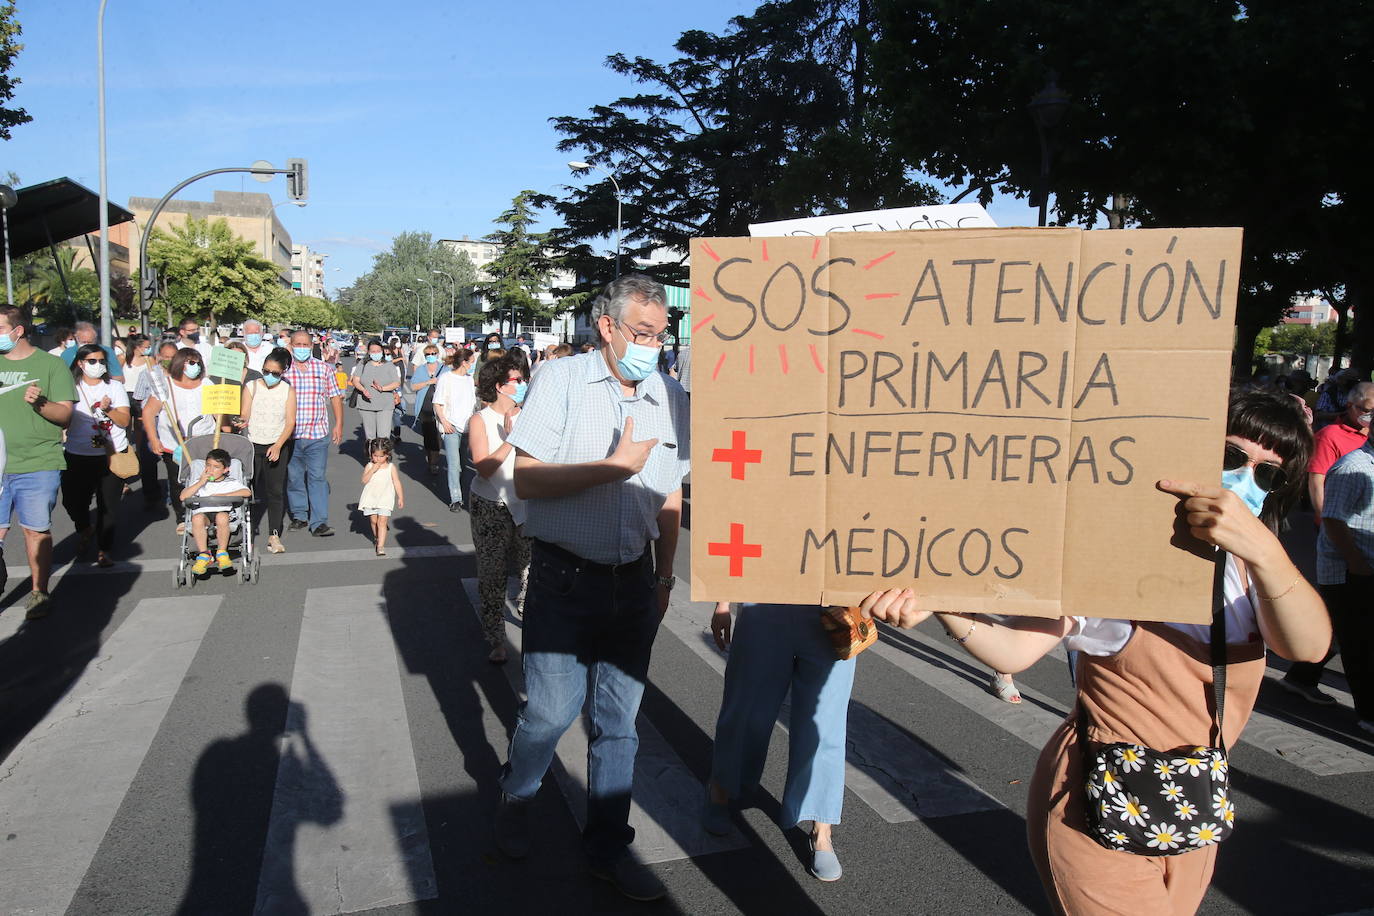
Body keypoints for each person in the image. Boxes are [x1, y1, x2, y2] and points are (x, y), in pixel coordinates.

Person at [888, 388, 1332, 915]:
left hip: (1190, 802)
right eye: (1232, 458)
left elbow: (1308, 645)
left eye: (1268, 473)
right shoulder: (1119, 555)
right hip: (1096, 800)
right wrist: (941, 603)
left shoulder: (1250, 570)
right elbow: (1014, 650)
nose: (1244, 482)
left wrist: (1260, 547)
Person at [493, 275, 689, 902]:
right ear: (607, 328)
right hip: (563, 578)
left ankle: (607, 846)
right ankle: (517, 795)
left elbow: (672, 494)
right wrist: (612, 468)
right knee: (549, 714)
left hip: (632, 583)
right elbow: (527, 481)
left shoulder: (669, 393)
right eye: (642, 333)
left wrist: (664, 575)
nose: (652, 347)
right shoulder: (563, 380)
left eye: (662, 335)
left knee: (620, 725)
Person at [703, 600, 855, 881]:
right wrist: (722, 601)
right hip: (765, 604)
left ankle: (822, 829)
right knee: (745, 710)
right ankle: (720, 789)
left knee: (825, 725)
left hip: (835, 608)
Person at [1281, 381, 1374, 703]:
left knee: (1340, 625)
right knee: (1352, 632)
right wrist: (1325, 523)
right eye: (1366, 410)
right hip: (1347, 557)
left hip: (1356, 555)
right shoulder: (1339, 445)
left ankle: (1301, 676)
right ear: (1352, 406)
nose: (1368, 417)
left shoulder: (1363, 446)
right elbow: (1317, 480)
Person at [0, 305, 75, 617]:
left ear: (17, 331)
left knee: (35, 531)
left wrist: (41, 403)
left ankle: (38, 592)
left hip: (38, 461)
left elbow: (65, 415)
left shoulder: (51, 366)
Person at [1311, 421, 1374, 734]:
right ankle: (1368, 713)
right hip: (1349, 569)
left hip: (1364, 567)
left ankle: (1301, 677)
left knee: (1346, 631)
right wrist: (1357, 563)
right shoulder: (1353, 466)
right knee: (1359, 643)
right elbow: (1333, 520)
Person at [468, 355, 530, 664]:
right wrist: (511, 440)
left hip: (527, 502)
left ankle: (532, 626)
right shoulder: (480, 420)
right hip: (490, 506)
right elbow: (485, 468)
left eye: (522, 379)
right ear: (498, 386)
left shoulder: (529, 414)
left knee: (530, 571)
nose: (522, 385)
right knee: (492, 576)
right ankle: (496, 638)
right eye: (516, 381)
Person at [62, 344, 130, 569]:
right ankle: (84, 528)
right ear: (80, 363)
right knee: (72, 501)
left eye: (102, 361)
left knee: (108, 505)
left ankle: (104, 549)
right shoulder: (70, 386)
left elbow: (124, 421)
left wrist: (108, 409)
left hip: (111, 452)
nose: (98, 365)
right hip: (77, 452)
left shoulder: (115, 387)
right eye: (92, 361)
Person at [142, 348, 215, 533]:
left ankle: (204, 514)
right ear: (180, 364)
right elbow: (149, 412)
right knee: (177, 480)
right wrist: (153, 439)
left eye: (197, 362)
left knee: (205, 478)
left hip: (203, 441)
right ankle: (182, 516)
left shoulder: (207, 384)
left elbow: (218, 413)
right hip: (175, 443)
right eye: (191, 362)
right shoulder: (166, 385)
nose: (195, 366)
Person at [283, 329, 343, 537]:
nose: (301, 348)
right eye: (297, 345)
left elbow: (335, 397)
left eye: (305, 345)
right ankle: (300, 515)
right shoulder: (283, 370)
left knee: (317, 477)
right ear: (290, 346)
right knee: (294, 477)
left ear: (312, 346)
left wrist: (339, 424)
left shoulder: (324, 369)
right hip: (290, 436)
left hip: (317, 434)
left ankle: (319, 522)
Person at [239, 347, 296, 554]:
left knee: (275, 492)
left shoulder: (288, 390)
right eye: (266, 371)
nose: (270, 376)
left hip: (277, 445)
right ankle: (247, 532)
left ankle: (274, 534)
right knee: (249, 491)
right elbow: (245, 413)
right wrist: (241, 421)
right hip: (253, 445)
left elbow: (290, 422)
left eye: (275, 373)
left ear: (283, 372)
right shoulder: (251, 386)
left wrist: (279, 445)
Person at [182, 447, 250, 576]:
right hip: (205, 514)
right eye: (208, 465)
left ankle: (221, 552)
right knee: (196, 518)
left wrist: (226, 495)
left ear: (225, 470)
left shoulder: (230, 482)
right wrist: (200, 482)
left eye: (216, 467)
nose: (211, 470)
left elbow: (246, 492)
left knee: (222, 517)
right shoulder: (200, 483)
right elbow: (183, 496)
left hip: (224, 512)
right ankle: (204, 554)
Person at [433, 347, 477, 511]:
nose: (473, 365)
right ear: (464, 362)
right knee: (454, 464)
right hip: (451, 426)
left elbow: (472, 404)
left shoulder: (469, 379)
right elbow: (437, 402)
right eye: (471, 362)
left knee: (464, 465)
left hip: (467, 427)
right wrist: (444, 422)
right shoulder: (446, 378)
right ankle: (456, 499)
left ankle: (464, 493)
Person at [408, 340, 448, 475]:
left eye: (433, 353)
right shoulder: (421, 369)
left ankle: (434, 461)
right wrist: (427, 382)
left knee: (437, 435)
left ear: (437, 354)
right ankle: (430, 454)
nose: (431, 356)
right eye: (428, 354)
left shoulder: (445, 369)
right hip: (425, 406)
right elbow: (413, 386)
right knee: (427, 434)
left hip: (440, 407)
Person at [359, 437, 403, 556]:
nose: (378, 459)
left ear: (387, 455)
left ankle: (380, 546)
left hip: (385, 497)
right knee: (374, 521)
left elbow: (396, 482)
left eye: (381, 456)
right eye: (375, 456)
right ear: (371, 455)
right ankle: (376, 537)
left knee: (382, 522)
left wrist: (400, 497)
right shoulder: (369, 466)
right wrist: (372, 470)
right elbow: (364, 480)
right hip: (371, 498)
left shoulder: (391, 467)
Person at [351, 338, 402, 441]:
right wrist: (363, 390)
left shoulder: (389, 365)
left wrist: (382, 388)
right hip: (366, 404)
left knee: (383, 436)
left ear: (382, 351)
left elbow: (397, 382)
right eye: (373, 351)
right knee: (370, 437)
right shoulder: (363, 363)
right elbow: (355, 380)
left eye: (378, 351)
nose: (376, 353)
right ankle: (372, 456)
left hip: (385, 404)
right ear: (368, 352)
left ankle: (382, 456)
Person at [59, 321, 124, 381]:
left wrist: (100, 377)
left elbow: (120, 378)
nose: (87, 345)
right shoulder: (67, 354)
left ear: (95, 339)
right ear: (77, 338)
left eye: (90, 342)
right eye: (84, 342)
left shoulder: (107, 351)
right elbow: (61, 379)